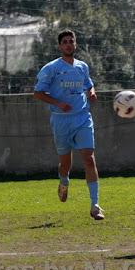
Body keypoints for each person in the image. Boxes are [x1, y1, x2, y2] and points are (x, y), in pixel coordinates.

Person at [33, 29, 104, 220]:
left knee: (89, 159)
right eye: (64, 42)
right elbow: (38, 93)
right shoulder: (51, 68)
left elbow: (89, 85)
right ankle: (64, 181)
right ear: (59, 46)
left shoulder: (82, 66)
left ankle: (95, 205)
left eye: (71, 41)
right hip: (61, 120)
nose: (68, 44)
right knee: (65, 163)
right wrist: (58, 103)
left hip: (82, 117)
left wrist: (92, 92)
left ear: (75, 44)